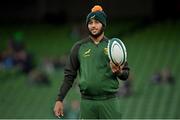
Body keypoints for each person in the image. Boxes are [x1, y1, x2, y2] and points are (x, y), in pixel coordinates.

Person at [53, 5, 130, 119]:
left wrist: (119, 73)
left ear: (103, 24)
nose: (93, 25)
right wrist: (59, 100)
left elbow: (126, 73)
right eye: (90, 22)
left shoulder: (113, 46)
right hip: (87, 102)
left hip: (109, 101)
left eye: (97, 22)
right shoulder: (78, 47)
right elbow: (69, 76)